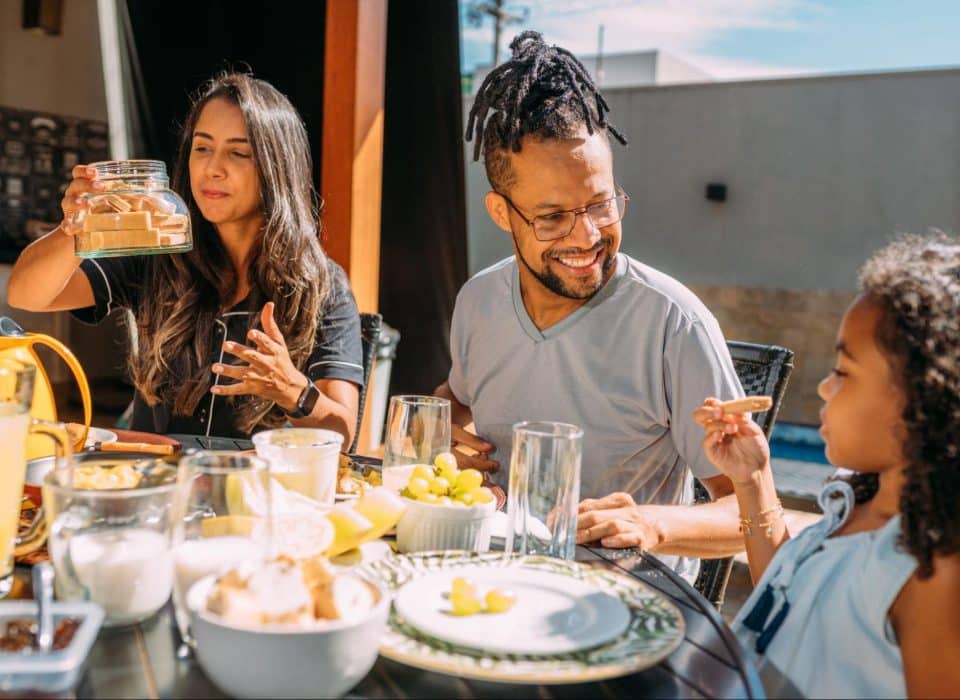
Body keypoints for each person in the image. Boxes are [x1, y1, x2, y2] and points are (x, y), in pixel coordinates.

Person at [434, 31, 746, 577]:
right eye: (552, 217)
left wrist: (650, 525)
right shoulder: (479, 300)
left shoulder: (674, 322)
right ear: (501, 213)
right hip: (496, 577)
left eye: (601, 204)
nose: (587, 237)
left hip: (629, 599)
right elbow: (455, 401)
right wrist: (448, 441)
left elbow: (750, 509)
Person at [7, 73, 363, 444]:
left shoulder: (322, 285)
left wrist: (293, 391)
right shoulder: (158, 249)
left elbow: (342, 432)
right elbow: (26, 295)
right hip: (153, 475)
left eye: (239, 153)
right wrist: (74, 227)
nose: (212, 168)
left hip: (254, 480)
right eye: (202, 148)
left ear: (278, 167)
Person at [694, 234, 960, 697]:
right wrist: (752, 478)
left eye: (843, 372)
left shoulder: (932, 573)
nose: (823, 388)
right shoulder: (857, 500)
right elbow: (788, 599)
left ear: (923, 400)